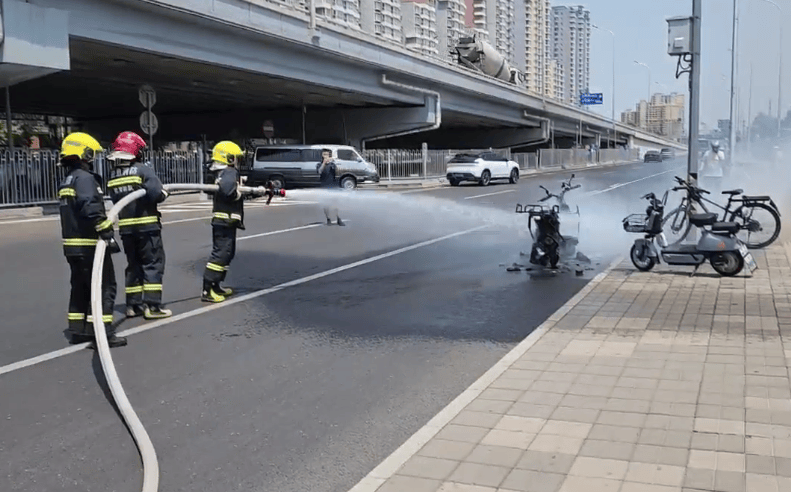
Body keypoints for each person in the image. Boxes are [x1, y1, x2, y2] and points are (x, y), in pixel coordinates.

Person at [57, 132, 127, 347]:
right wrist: (107, 232)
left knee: (80, 288)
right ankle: (102, 333)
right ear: (84, 153)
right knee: (104, 287)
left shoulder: (67, 180)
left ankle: (79, 329)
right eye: (91, 154)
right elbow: (91, 208)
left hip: (72, 247)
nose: (92, 158)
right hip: (89, 246)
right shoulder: (86, 179)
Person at [106, 131, 172, 319]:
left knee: (133, 266)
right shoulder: (143, 170)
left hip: (127, 230)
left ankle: (132, 305)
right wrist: (165, 193)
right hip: (148, 228)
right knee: (153, 264)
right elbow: (157, 194)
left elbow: (114, 199)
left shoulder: (113, 175)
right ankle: (153, 306)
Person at [202, 141, 262, 303]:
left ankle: (216, 285)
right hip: (225, 220)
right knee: (221, 254)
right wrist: (240, 194)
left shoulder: (218, 172)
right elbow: (229, 190)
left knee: (227, 253)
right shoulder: (229, 172)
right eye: (236, 157)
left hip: (224, 220)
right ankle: (207, 290)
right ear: (228, 158)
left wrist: (252, 192)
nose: (238, 161)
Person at [317, 149, 345, 226]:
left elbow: (338, 171)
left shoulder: (332, 164)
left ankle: (338, 219)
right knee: (326, 205)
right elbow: (319, 171)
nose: (325, 156)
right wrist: (324, 163)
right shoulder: (319, 164)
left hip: (333, 186)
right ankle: (328, 219)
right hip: (324, 186)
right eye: (324, 154)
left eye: (326, 154)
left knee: (335, 204)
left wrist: (334, 161)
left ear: (329, 155)